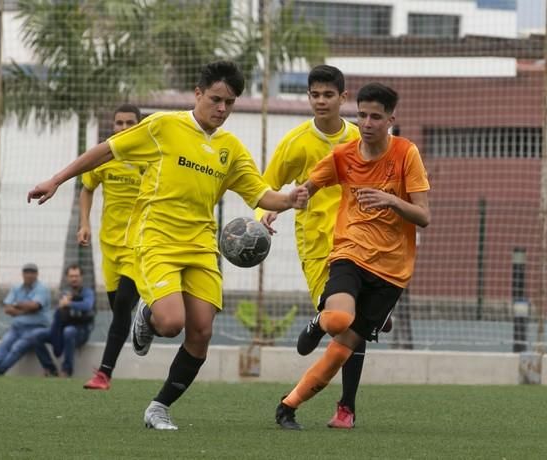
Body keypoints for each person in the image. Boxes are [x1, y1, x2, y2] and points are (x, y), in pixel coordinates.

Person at [28, 61, 309, 430]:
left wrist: (290, 198)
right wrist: (56, 179)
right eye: (215, 99)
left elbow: (260, 194)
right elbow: (108, 150)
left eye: (230, 103)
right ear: (198, 93)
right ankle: (147, 316)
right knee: (172, 322)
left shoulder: (232, 149)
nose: (222, 109)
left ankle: (159, 406)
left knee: (202, 331)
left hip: (201, 245)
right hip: (157, 237)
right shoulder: (164, 126)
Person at [274, 82, 430, 430]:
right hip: (350, 252)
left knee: (343, 348)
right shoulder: (344, 156)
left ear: (392, 118)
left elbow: (424, 216)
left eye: (376, 116)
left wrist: (392, 200)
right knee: (336, 321)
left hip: (392, 272)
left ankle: (288, 406)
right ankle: (318, 322)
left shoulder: (406, 154)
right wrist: (286, 203)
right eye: (362, 115)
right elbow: (308, 187)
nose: (368, 123)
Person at [260, 65, 381, 428]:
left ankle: (346, 407)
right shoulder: (297, 142)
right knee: (339, 322)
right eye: (315, 95)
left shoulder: (363, 138)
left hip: (360, 241)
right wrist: (267, 212)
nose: (321, 101)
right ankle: (318, 322)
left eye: (328, 95)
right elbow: (266, 184)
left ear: (343, 98)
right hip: (316, 245)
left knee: (355, 325)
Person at [79, 104, 145, 390]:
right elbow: (87, 188)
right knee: (120, 308)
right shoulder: (104, 157)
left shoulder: (150, 157)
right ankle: (147, 316)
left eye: (129, 123)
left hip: (140, 243)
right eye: (118, 123)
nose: (122, 128)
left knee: (121, 307)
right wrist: (84, 224)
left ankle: (104, 373)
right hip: (110, 246)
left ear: (139, 125)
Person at [0, 263, 51, 375]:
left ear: (37, 274)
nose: (29, 275)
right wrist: (26, 309)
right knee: (4, 344)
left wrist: (16, 305)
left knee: (17, 347)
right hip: (17, 327)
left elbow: (35, 306)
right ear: (22, 274)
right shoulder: (16, 287)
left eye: (32, 272)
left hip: (35, 328)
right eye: (27, 272)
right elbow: (7, 308)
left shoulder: (42, 288)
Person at [35, 264, 96, 377]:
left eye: (76, 276)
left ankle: (66, 370)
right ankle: (50, 368)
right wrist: (65, 303)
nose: (74, 279)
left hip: (81, 330)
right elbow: (60, 312)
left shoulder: (87, 292)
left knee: (69, 331)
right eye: (71, 276)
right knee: (37, 335)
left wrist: (69, 303)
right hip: (62, 329)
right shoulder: (64, 293)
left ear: (81, 277)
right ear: (67, 278)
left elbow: (87, 305)